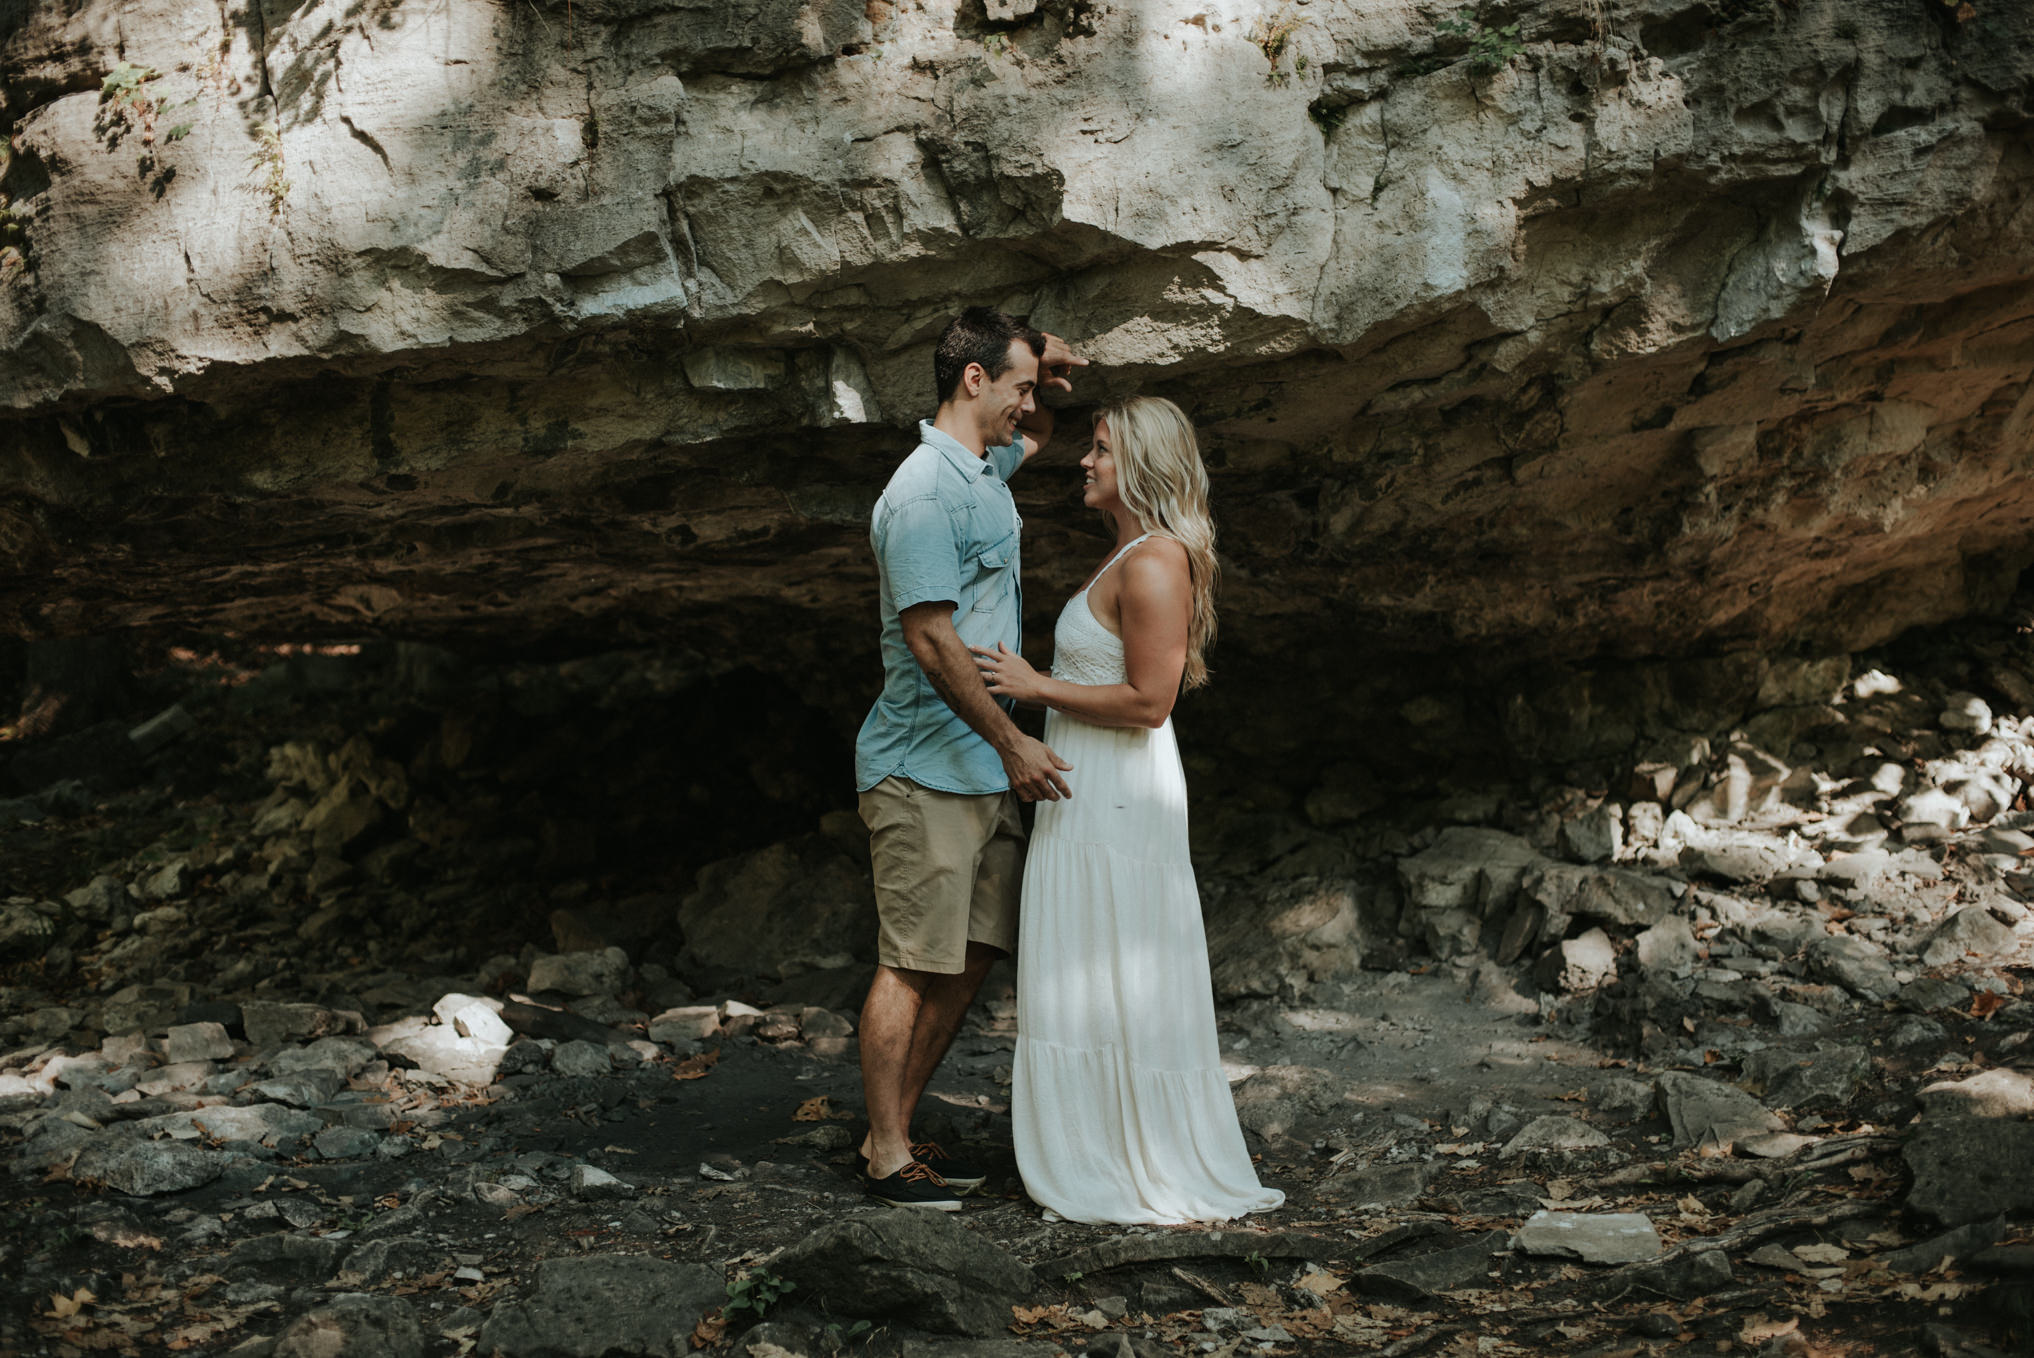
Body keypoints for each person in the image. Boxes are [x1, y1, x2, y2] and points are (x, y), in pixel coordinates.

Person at [970, 396, 1284, 1225]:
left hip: (1120, 789)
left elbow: (1151, 701)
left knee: (1115, 960)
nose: (1085, 460)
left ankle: (1128, 1153)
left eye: (1102, 449)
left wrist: (1037, 687)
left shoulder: (1154, 562)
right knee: (1087, 961)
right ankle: (1097, 1144)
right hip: (1092, 787)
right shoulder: (1129, 556)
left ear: (1140, 464)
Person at [852, 307, 1086, 1209]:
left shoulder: (984, 470)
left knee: (975, 952)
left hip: (983, 772)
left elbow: (1048, 432)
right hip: (927, 769)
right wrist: (1014, 738)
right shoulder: (921, 491)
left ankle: (894, 1133)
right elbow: (929, 636)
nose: (1031, 405)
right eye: (1020, 387)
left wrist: (1056, 373)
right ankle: (883, 1155)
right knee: (912, 960)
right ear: (974, 380)